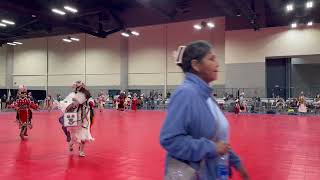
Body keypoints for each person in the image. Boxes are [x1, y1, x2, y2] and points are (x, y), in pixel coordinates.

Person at [160, 41, 249, 180]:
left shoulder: (207, 96)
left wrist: (236, 162)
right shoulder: (186, 94)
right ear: (196, 65)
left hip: (213, 172)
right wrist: (211, 148)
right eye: (211, 59)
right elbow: (170, 140)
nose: (217, 64)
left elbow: (218, 140)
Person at [58, 81, 95, 157]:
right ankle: (71, 144)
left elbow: (91, 100)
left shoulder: (87, 94)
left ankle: (81, 150)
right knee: (74, 134)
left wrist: (91, 103)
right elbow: (69, 104)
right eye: (78, 87)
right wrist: (73, 105)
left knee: (84, 133)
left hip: (85, 116)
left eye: (81, 86)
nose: (81, 88)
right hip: (76, 115)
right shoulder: (73, 95)